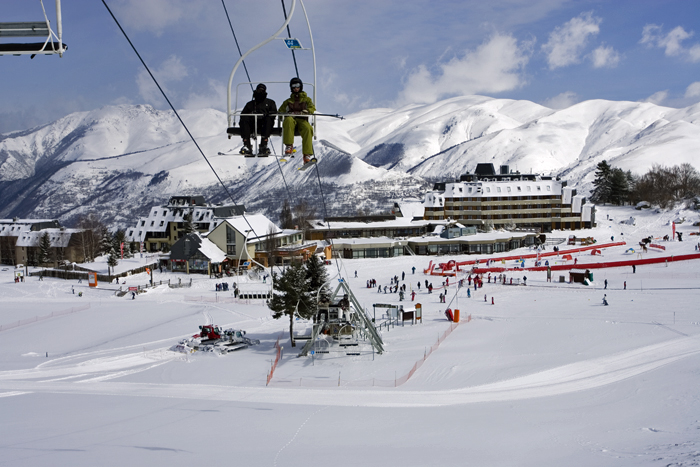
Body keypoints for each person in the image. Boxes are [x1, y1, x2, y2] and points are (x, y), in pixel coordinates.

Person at [279, 77, 315, 164]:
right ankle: (289, 146)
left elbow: (312, 107)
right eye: (293, 86)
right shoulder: (288, 101)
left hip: (302, 119)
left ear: (301, 86)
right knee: (288, 120)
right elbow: (280, 112)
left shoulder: (307, 100)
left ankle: (306, 155)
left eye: (297, 86)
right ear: (291, 88)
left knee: (308, 128)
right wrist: (283, 115)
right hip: (292, 120)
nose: (296, 88)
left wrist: (307, 111)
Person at [239, 83, 277, 156]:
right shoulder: (250, 104)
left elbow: (273, 113)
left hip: (263, 124)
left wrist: (266, 115)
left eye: (262, 90)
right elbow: (243, 115)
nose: (260, 92)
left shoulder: (270, 103)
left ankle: (263, 145)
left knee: (269, 120)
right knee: (244, 120)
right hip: (252, 125)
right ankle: (247, 145)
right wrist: (251, 114)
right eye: (259, 90)